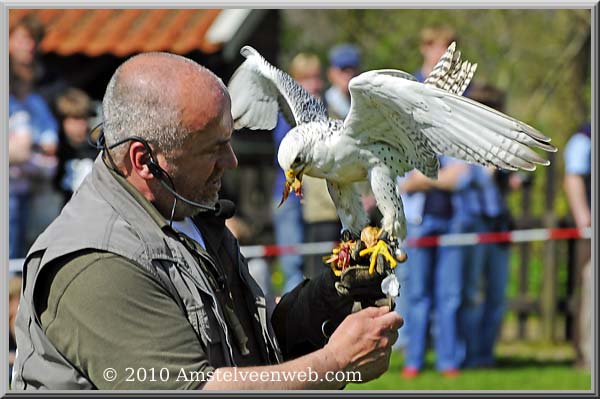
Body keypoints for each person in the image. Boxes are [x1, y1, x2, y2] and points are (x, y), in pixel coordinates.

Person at [12, 52, 403, 390]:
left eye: (229, 141)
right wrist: (334, 364)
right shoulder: (96, 264)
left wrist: (332, 295)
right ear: (144, 161)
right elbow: (196, 388)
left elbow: (252, 345)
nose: (231, 161)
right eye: (212, 149)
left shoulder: (188, 211)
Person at [457, 83, 523, 368]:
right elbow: (461, 180)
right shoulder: (462, 141)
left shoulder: (503, 143)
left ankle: (486, 355)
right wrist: (484, 170)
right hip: (473, 222)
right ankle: (470, 355)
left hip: (498, 224)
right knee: (470, 293)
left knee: (496, 294)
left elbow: (510, 179)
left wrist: (508, 176)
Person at [563, 121, 591, 370]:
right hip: (592, 231)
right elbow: (573, 177)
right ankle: (587, 357)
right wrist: (584, 220)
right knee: (591, 291)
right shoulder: (584, 137)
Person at [54, 87, 100, 204]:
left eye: (84, 117)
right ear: (63, 121)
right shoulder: (56, 148)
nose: (81, 124)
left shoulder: (98, 148)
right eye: (75, 118)